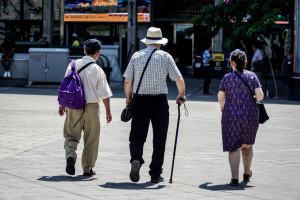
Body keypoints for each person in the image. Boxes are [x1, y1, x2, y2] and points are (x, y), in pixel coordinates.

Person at [123, 27, 186, 183]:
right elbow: (178, 79)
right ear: (159, 43)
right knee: (159, 138)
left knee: (137, 136)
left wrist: (129, 100)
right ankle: (155, 174)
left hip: (140, 101)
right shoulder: (165, 57)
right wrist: (181, 95)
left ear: (147, 42)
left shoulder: (136, 56)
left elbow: (127, 81)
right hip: (159, 102)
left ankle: (136, 159)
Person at [58, 39, 113, 176]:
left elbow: (66, 86)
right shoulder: (98, 70)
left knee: (71, 134)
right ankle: (87, 168)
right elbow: (104, 93)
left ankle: (71, 156)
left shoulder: (72, 65)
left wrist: (62, 104)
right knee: (91, 138)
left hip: (73, 106)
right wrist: (108, 112)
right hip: (92, 108)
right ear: (98, 53)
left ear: (84, 50)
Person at [218, 51, 264, 186]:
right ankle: (246, 174)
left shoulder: (227, 77)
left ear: (232, 63)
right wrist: (253, 99)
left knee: (234, 146)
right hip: (250, 114)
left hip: (231, 114)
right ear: (245, 62)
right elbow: (260, 96)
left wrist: (222, 106)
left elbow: (221, 97)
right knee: (247, 145)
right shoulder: (252, 76)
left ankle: (234, 178)